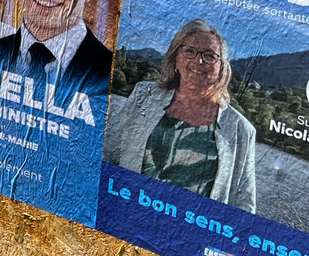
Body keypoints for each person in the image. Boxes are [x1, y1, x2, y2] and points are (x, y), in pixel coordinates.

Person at [102, 19, 257, 212]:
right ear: (176, 58)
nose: (198, 61)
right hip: (129, 216)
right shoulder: (144, 95)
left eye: (210, 56)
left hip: (190, 235)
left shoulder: (240, 129)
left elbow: (244, 203)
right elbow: (109, 154)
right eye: (189, 51)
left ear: (222, 69)